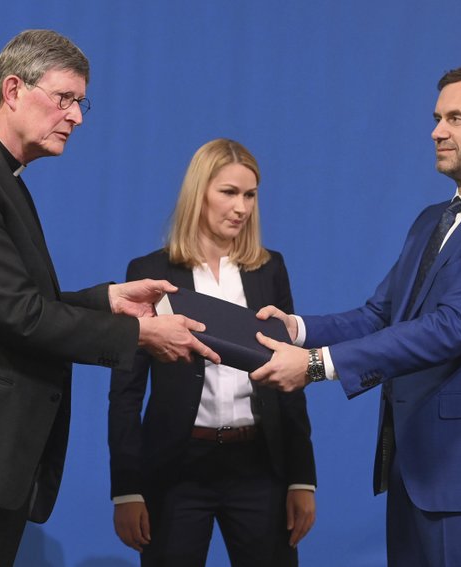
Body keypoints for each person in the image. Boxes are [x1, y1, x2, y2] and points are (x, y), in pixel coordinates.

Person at [0, 29, 218, 566]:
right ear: (13, 90)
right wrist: (139, 334)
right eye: (65, 99)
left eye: (81, 102)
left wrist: (108, 301)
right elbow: (19, 316)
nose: (77, 117)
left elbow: (17, 302)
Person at [251, 67, 461, 566]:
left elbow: (450, 328)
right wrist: (299, 329)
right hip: (415, 471)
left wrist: (314, 365)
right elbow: (381, 315)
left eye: (455, 118)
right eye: (437, 118)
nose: (437, 131)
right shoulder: (429, 222)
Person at [109, 139, 317, 566]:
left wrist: (302, 480)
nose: (241, 207)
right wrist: (127, 487)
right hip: (176, 469)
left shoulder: (269, 269)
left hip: (259, 466)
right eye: (229, 192)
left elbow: (289, 375)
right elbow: (126, 392)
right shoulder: (150, 273)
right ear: (198, 192)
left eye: (250, 195)